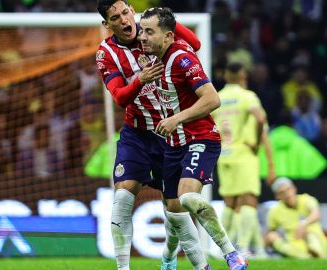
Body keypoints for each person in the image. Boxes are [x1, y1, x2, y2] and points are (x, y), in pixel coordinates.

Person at [96, 1, 207, 270]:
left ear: (132, 10)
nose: (124, 20)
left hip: (169, 132)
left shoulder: (154, 31)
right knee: (123, 197)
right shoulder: (106, 53)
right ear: (107, 24)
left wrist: (164, 19)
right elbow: (121, 96)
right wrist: (141, 79)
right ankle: (123, 268)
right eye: (115, 18)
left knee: (175, 208)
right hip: (136, 134)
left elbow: (195, 43)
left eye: (125, 12)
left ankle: (169, 256)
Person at [139, 7, 248, 270]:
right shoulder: (156, 63)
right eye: (142, 30)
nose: (142, 37)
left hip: (201, 138)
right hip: (172, 146)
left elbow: (212, 99)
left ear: (168, 36)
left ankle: (231, 254)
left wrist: (176, 119)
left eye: (149, 31)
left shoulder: (182, 58)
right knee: (175, 213)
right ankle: (169, 259)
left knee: (187, 199)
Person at [212, 61, 276, 258]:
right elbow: (259, 118)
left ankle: (219, 248)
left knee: (229, 203)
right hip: (244, 154)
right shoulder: (247, 97)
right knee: (248, 202)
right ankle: (242, 247)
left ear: (225, 77)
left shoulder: (217, 98)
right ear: (243, 77)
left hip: (223, 155)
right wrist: (257, 143)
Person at [265, 177, 327, 259]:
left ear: (294, 188)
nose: (287, 194)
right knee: (271, 236)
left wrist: (303, 224)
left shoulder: (306, 199)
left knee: (310, 231)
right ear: (277, 196)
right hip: (295, 245)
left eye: (288, 189)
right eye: (282, 192)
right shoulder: (275, 210)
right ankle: (306, 257)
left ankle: (315, 251)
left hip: (317, 241)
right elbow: (269, 232)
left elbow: (316, 214)